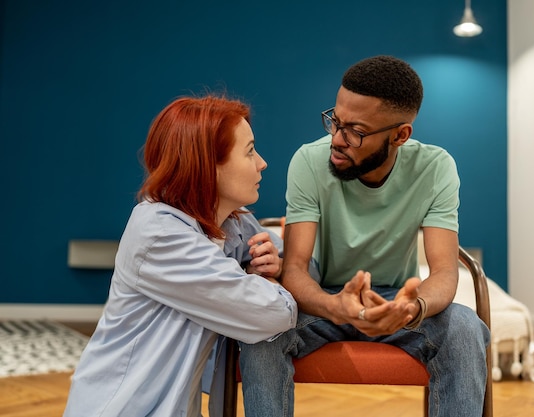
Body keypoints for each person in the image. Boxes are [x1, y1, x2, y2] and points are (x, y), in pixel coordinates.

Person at [238, 55, 490, 417]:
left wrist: (412, 308)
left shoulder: (435, 168)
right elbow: (293, 269)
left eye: (355, 131)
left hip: (397, 303)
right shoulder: (309, 161)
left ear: (400, 135)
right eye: (335, 122)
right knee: (263, 327)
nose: (336, 140)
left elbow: (445, 273)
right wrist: (335, 306)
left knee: (465, 327)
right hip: (322, 298)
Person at [63, 94, 297, 417]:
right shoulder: (159, 234)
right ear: (207, 166)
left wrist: (279, 260)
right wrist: (266, 279)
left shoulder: (229, 222)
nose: (262, 163)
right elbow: (275, 313)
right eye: (250, 151)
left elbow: (283, 248)